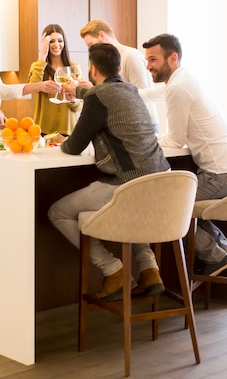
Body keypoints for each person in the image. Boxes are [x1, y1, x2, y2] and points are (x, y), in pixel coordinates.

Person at [48, 43, 170, 301]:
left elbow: (73, 147)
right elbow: (104, 96)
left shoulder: (96, 97)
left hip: (127, 184)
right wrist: (79, 91)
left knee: (58, 212)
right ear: (118, 66)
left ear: (92, 68)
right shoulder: (131, 91)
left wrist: (63, 137)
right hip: (161, 184)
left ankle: (113, 270)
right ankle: (149, 270)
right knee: (132, 212)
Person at [142, 33, 227, 276]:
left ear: (173, 58)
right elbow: (154, 94)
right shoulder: (183, 79)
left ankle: (216, 254)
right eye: (146, 60)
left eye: (152, 59)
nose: (148, 65)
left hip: (222, 176)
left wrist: (146, 137)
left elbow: (175, 140)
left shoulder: (178, 87)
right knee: (180, 200)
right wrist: (125, 93)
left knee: (168, 203)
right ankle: (222, 251)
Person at [79, 18, 161, 132]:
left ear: (102, 35)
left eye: (91, 45)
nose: (91, 50)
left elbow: (142, 96)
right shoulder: (112, 60)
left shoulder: (130, 56)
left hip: (142, 126)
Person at [27, 24, 83, 138]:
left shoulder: (74, 68)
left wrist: (72, 100)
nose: (56, 45)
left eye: (60, 41)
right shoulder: (38, 66)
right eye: (51, 41)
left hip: (69, 132)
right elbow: (31, 88)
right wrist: (42, 55)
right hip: (44, 132)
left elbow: (80, 106)